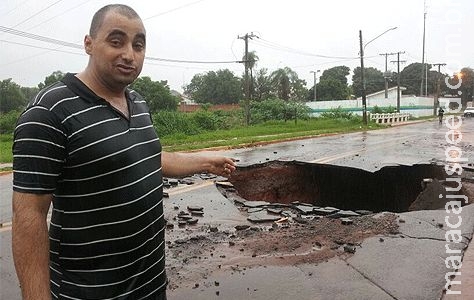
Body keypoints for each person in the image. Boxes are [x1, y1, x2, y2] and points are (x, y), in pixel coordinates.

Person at [11, 4, 235, 300]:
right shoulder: (50, 111)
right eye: (116, 41)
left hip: (151, 286)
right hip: (90, 291)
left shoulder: (137, 102)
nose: (129, 54)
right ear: (88, 44)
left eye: (138, 45)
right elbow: (29, 217)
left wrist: (206, 160)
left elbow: (146, 158)